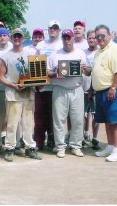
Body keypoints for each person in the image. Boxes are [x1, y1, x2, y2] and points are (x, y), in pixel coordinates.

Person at [84, 24, 117, 162]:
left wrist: (113, 88)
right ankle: (110, 147)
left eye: (103, 36)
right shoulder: (99, 51)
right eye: (97, 36)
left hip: (114, 89)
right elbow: (98, 71)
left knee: (115, 121)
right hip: (100, 91)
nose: (100, 38)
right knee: (108, 121)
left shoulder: (116, 49)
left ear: (110, 35)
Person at [0, 28, 42, 162]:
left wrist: (32, 84)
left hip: (28, 93)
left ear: (23, 38)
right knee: (12, 123)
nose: (17, 39)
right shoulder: (6, 56)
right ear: (11, 38)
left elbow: (37, 74)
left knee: (29, 123)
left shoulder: (31, 53)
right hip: (13, 93)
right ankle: (10, 148)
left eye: (19, 36)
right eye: (15, 36)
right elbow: (0, 76)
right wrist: (13, 85)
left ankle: (29, 147)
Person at [48, 29, 89, 158]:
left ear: (72, 39)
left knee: (77, 120)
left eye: (69, 38)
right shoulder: (55, 54)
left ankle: (76, 146)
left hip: (77, 89)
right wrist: (56, 73)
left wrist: (85, 68)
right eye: (64, 38)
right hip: (60, 89)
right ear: (62, 39)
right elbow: (48, 72)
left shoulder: (81, 53)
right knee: (59, 120)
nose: (67, 40)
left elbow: (88, 72)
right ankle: (60, 146)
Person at [34, 20, 63, 150]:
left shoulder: (63, 44)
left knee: (54, 117)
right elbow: (36, 63)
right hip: (42, 86)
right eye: (51, 28)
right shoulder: (41, 44)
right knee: (39, 116)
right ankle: (39, 142)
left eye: (55, 28)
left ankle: (52, 140)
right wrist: (38, 82)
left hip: (57, 86)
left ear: (59, 30)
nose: (53, 30)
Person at [81, 29, 100, 150]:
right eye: (89, 38)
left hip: (96, 89)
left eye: (94, 38)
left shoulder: (100, 52)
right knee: (82, 115)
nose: (92, 40)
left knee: (95, 115)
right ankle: (82, 137)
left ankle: (95, 138)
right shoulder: (82, 53)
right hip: (83, 88)